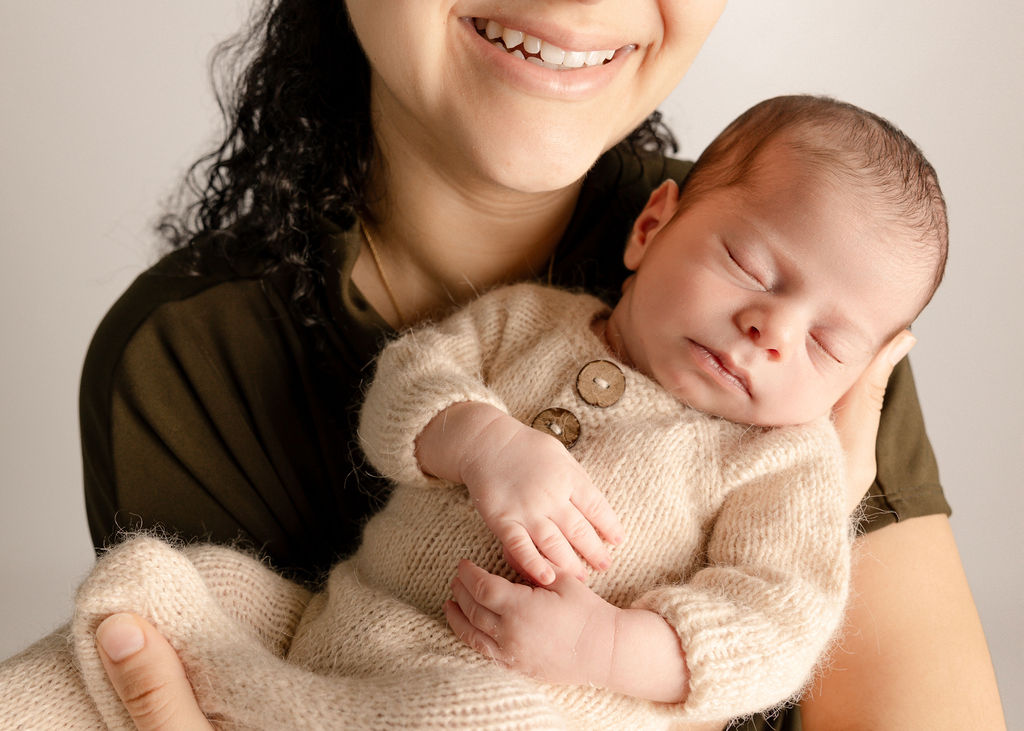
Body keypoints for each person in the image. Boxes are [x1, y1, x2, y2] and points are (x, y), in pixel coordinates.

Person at [64, 1, 1003, 729]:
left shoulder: (813, 270)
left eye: (827, 341)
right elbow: (415, 392)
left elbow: (781, 624)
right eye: (751, 274)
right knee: (130, 616)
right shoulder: (189, 355)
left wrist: (619, 655)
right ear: (655, 228)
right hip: (326, 649)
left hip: (485, 701)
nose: (768, 330)